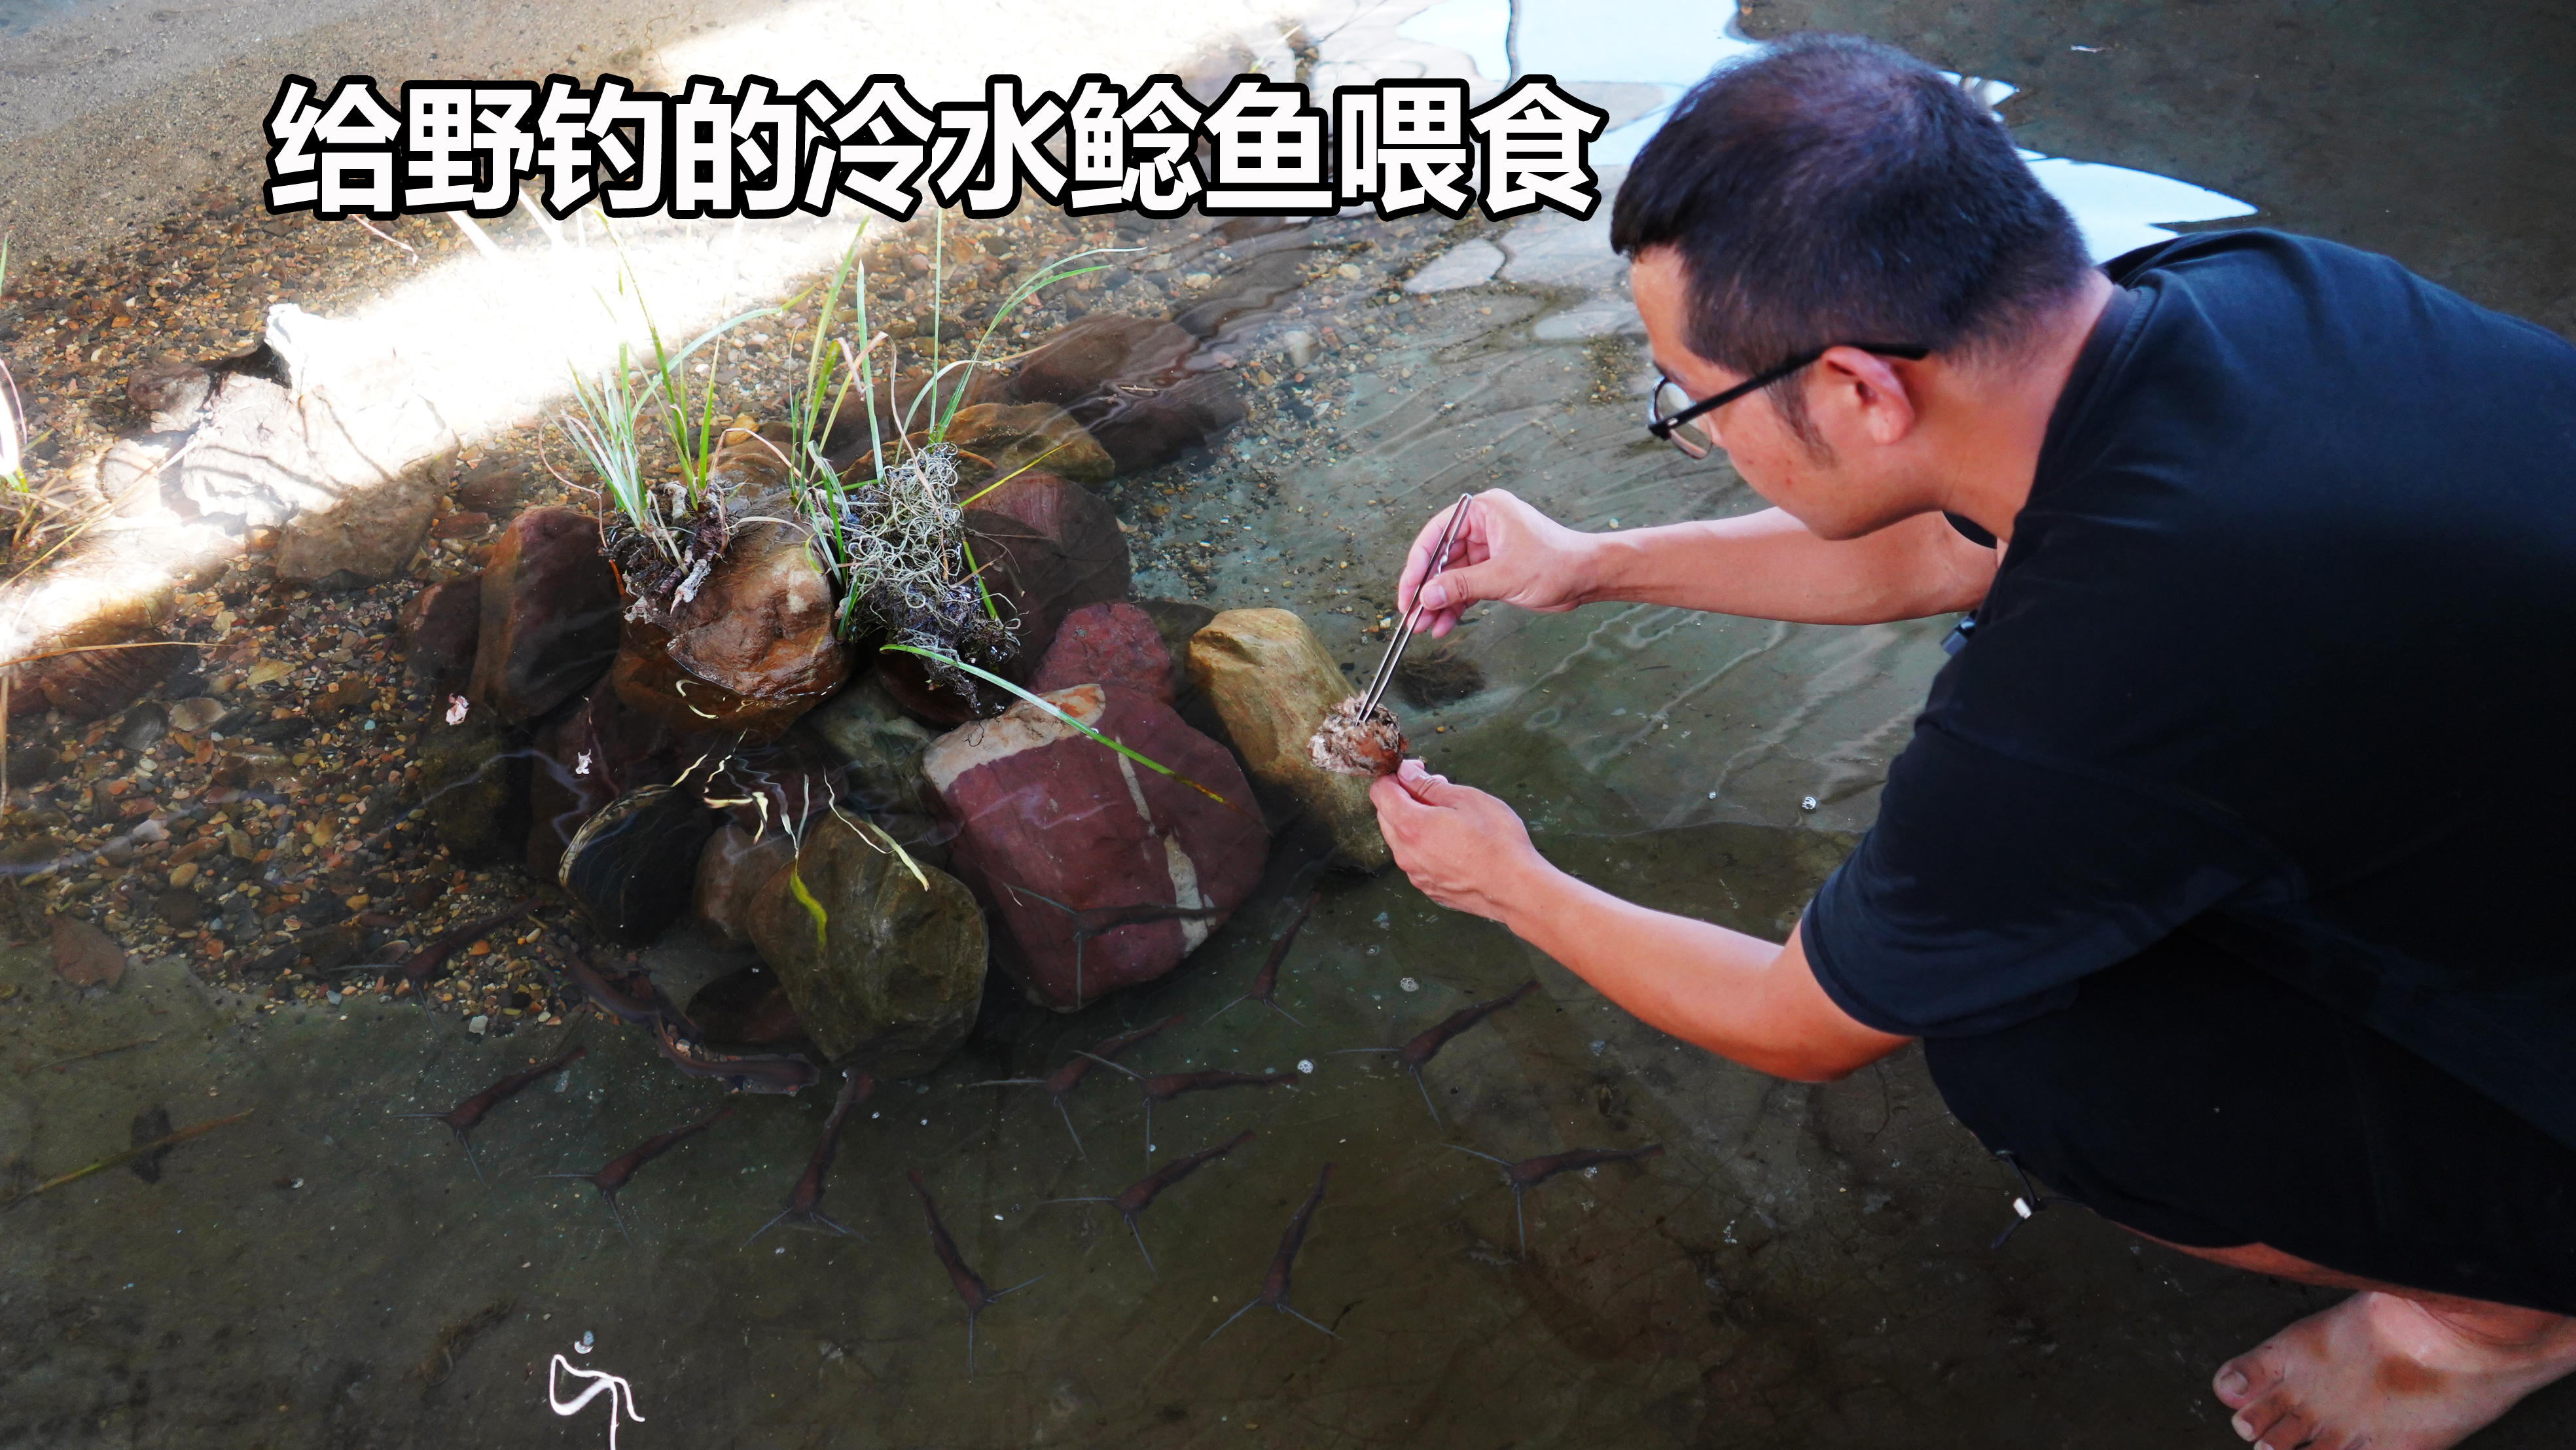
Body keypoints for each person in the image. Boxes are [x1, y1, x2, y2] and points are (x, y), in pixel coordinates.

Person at [1368, 32, 2576, 1450]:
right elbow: (1958, 547)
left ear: (1862, 391)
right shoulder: (2248, 297)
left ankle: (2507, 1314)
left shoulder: (2092, 694)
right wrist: (1591, 560)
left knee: (2030, 1057)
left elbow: (1794, 1017)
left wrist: (1506, 878)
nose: (1696, 435)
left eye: (1691, 407)